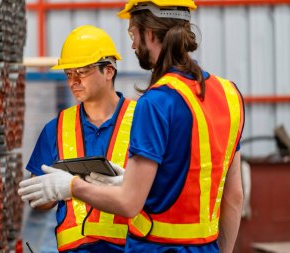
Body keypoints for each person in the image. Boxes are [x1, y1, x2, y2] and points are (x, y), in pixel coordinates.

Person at [19, 1, 245, 252]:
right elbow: (233, 197)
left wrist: (70, 186)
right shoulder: (230, 94)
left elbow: (129, 204)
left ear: (149, 33)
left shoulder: (156, 102)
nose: (133, 44)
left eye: (132, 33)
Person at [18, 25, 136, 252]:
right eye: (69, 74)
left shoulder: (143, 120)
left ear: (108, 71)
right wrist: (51, 191)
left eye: (81, 72)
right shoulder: (56, 129)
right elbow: (39, 200)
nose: (73, 81)